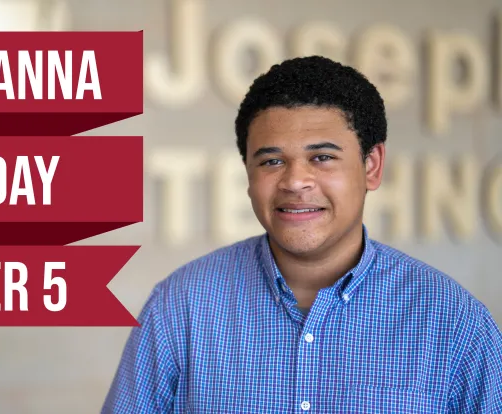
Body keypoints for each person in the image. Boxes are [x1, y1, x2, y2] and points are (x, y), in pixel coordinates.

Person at [101, 56, 502, 413]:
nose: (296, 182)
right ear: (248, 176)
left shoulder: (453, 323)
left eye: (322, 157)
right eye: (272, 160)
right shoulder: (181, 307)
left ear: (372, 166)